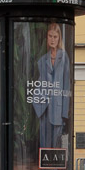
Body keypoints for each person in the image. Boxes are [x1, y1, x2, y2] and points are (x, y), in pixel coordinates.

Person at [32, 22, 70, 151]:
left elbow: (66, 85)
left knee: (56, 142)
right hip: (44, 107)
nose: (52, 39)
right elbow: (40, 82)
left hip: (58, 108)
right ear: (46, 38)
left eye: (55, 36)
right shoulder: (42, 60)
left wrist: (65, 112)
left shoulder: (64, 57)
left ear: (59, 38)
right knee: (44, 142)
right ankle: (46, 169)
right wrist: (35, 99)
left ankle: (55, 169)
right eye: (50, 36)